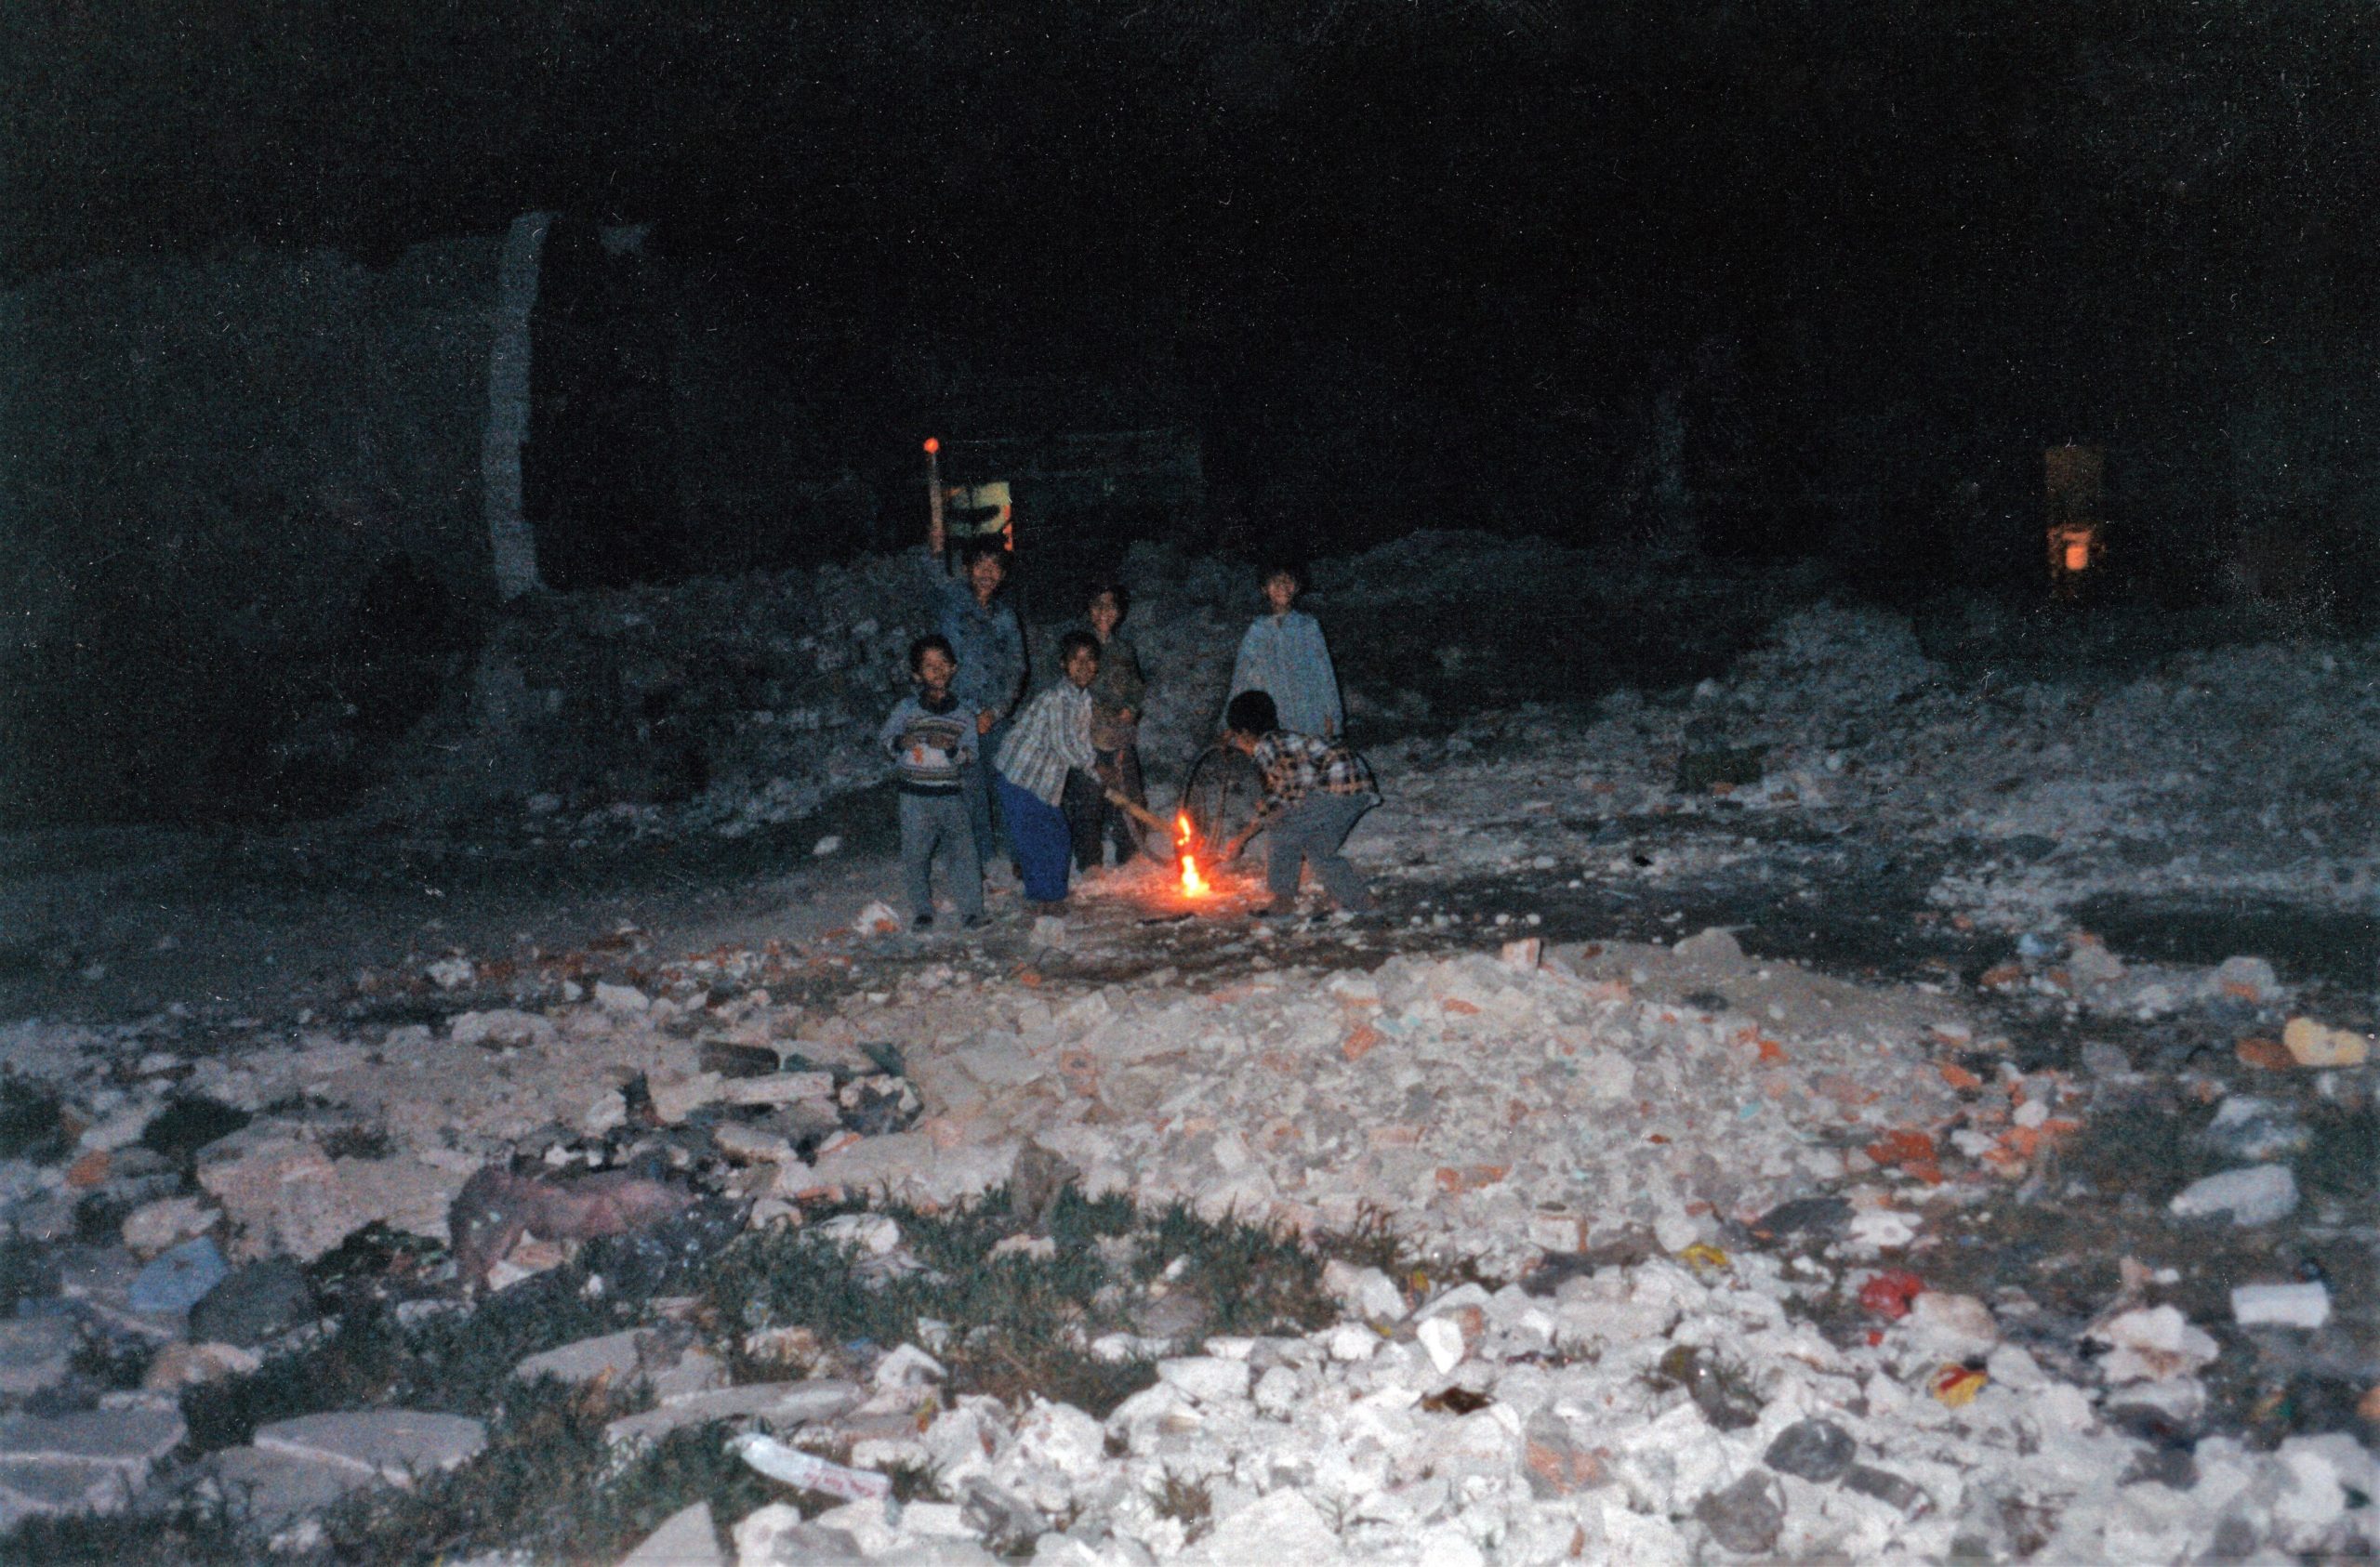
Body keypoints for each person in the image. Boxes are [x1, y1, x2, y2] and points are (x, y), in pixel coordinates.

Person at [919, 512, 1027, 872]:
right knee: (970, 790)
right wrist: (934, 550)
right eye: (980, 564)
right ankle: (977, 861)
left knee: (1011, 783)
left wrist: (996, 711)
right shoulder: (951, 601)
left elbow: (1017, 667)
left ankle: (1020, 856)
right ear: (967, 568)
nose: (987, 573)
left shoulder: (1006, 617)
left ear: (1003, 574)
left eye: (995, 567)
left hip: (996, 715)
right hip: (957, 714)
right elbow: (933, 575)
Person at [1218, 689, 1378, 918]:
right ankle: (1360, 903)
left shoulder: (1268, 746)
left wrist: (1243, 837)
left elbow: (1290, 794)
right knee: (1318, 849)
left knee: (1282, 828)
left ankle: (1282, 902)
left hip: (1337, 787)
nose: (1239, 746)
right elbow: (1292, 787)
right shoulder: (1284, 739)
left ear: (1244, 733)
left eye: (1237, 738)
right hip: (1358, 788)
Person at [878, 635, 984, 930]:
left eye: (943, 663)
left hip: (950, 795)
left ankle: (972, 911)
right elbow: (885, 742)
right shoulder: (907, 709)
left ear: (954, 668)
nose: (937, 670)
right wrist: (901, 742)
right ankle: (922, 911)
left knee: (963, 853)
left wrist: (951, 749)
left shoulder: (963, 714)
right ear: (917, 675)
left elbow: (971, 755)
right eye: (929, 665)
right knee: (915, 854)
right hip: (914, 796)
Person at [995, 631, 1101, 911]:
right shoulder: (1056, 698)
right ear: (1063, 664)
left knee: (1057, 836)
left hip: (1044, 781)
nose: (1083, 666)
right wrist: (1096, 768)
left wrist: (1098, 777)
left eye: (1090, 660)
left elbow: (1080, 743)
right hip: (1019, 778)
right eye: (1076, 659)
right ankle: (1045, 900)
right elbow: (1065, 745)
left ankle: (1051, 894)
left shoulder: (1083, 700)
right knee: (1037, 840)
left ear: (1097, 665)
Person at [1064, 583, 1148, 873]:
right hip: (1088, 736)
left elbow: (1136, 687)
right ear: (1089, 610)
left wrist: (1131, 708)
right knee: (1088, 799)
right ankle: (1090, 861)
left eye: (1111, 606)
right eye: (1098, 605)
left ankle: (1130, 853)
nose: (1104, 612)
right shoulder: (1079, 647)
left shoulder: (1124, 649)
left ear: (1120, 612)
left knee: (1130, 795)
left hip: (1120, 734)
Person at [1226, 562, 1342, 739]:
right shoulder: (1257, 631)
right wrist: (1230, 725)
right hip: (1273, 717)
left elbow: (1325, 673)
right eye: (1275, 581)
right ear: (1264, 589)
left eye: (1288, 580)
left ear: (1297, 587)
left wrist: (1333, 716)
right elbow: (1241, 679)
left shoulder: (1308, 627)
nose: (1282, 586)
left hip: (1309, 714)